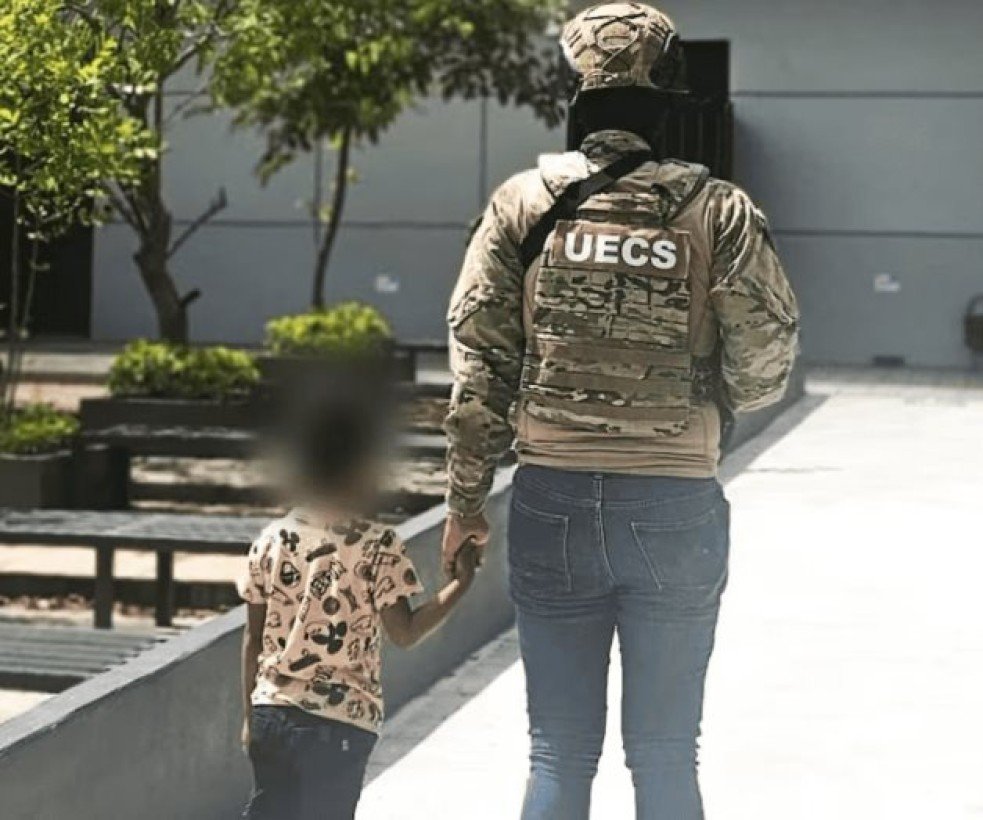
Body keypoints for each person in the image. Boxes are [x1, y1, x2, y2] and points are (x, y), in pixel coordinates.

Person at [442, 3, 800, 818]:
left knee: (556, 753)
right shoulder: (718, 211)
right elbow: (764, 363)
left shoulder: (522, 204)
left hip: (551, 498)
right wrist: (712, 400)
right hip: (674, 501)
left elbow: (479, 370)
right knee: (666, 756)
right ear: (665, 99)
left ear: (577, 96)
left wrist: (464, 503)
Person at [238, 374, 478, 820]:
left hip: (272, 713)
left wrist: (251, 718)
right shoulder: (377, 544)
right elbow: (404, 633)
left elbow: (253, 639)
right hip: (340, 723)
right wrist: (460, 585)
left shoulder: (271, 540)